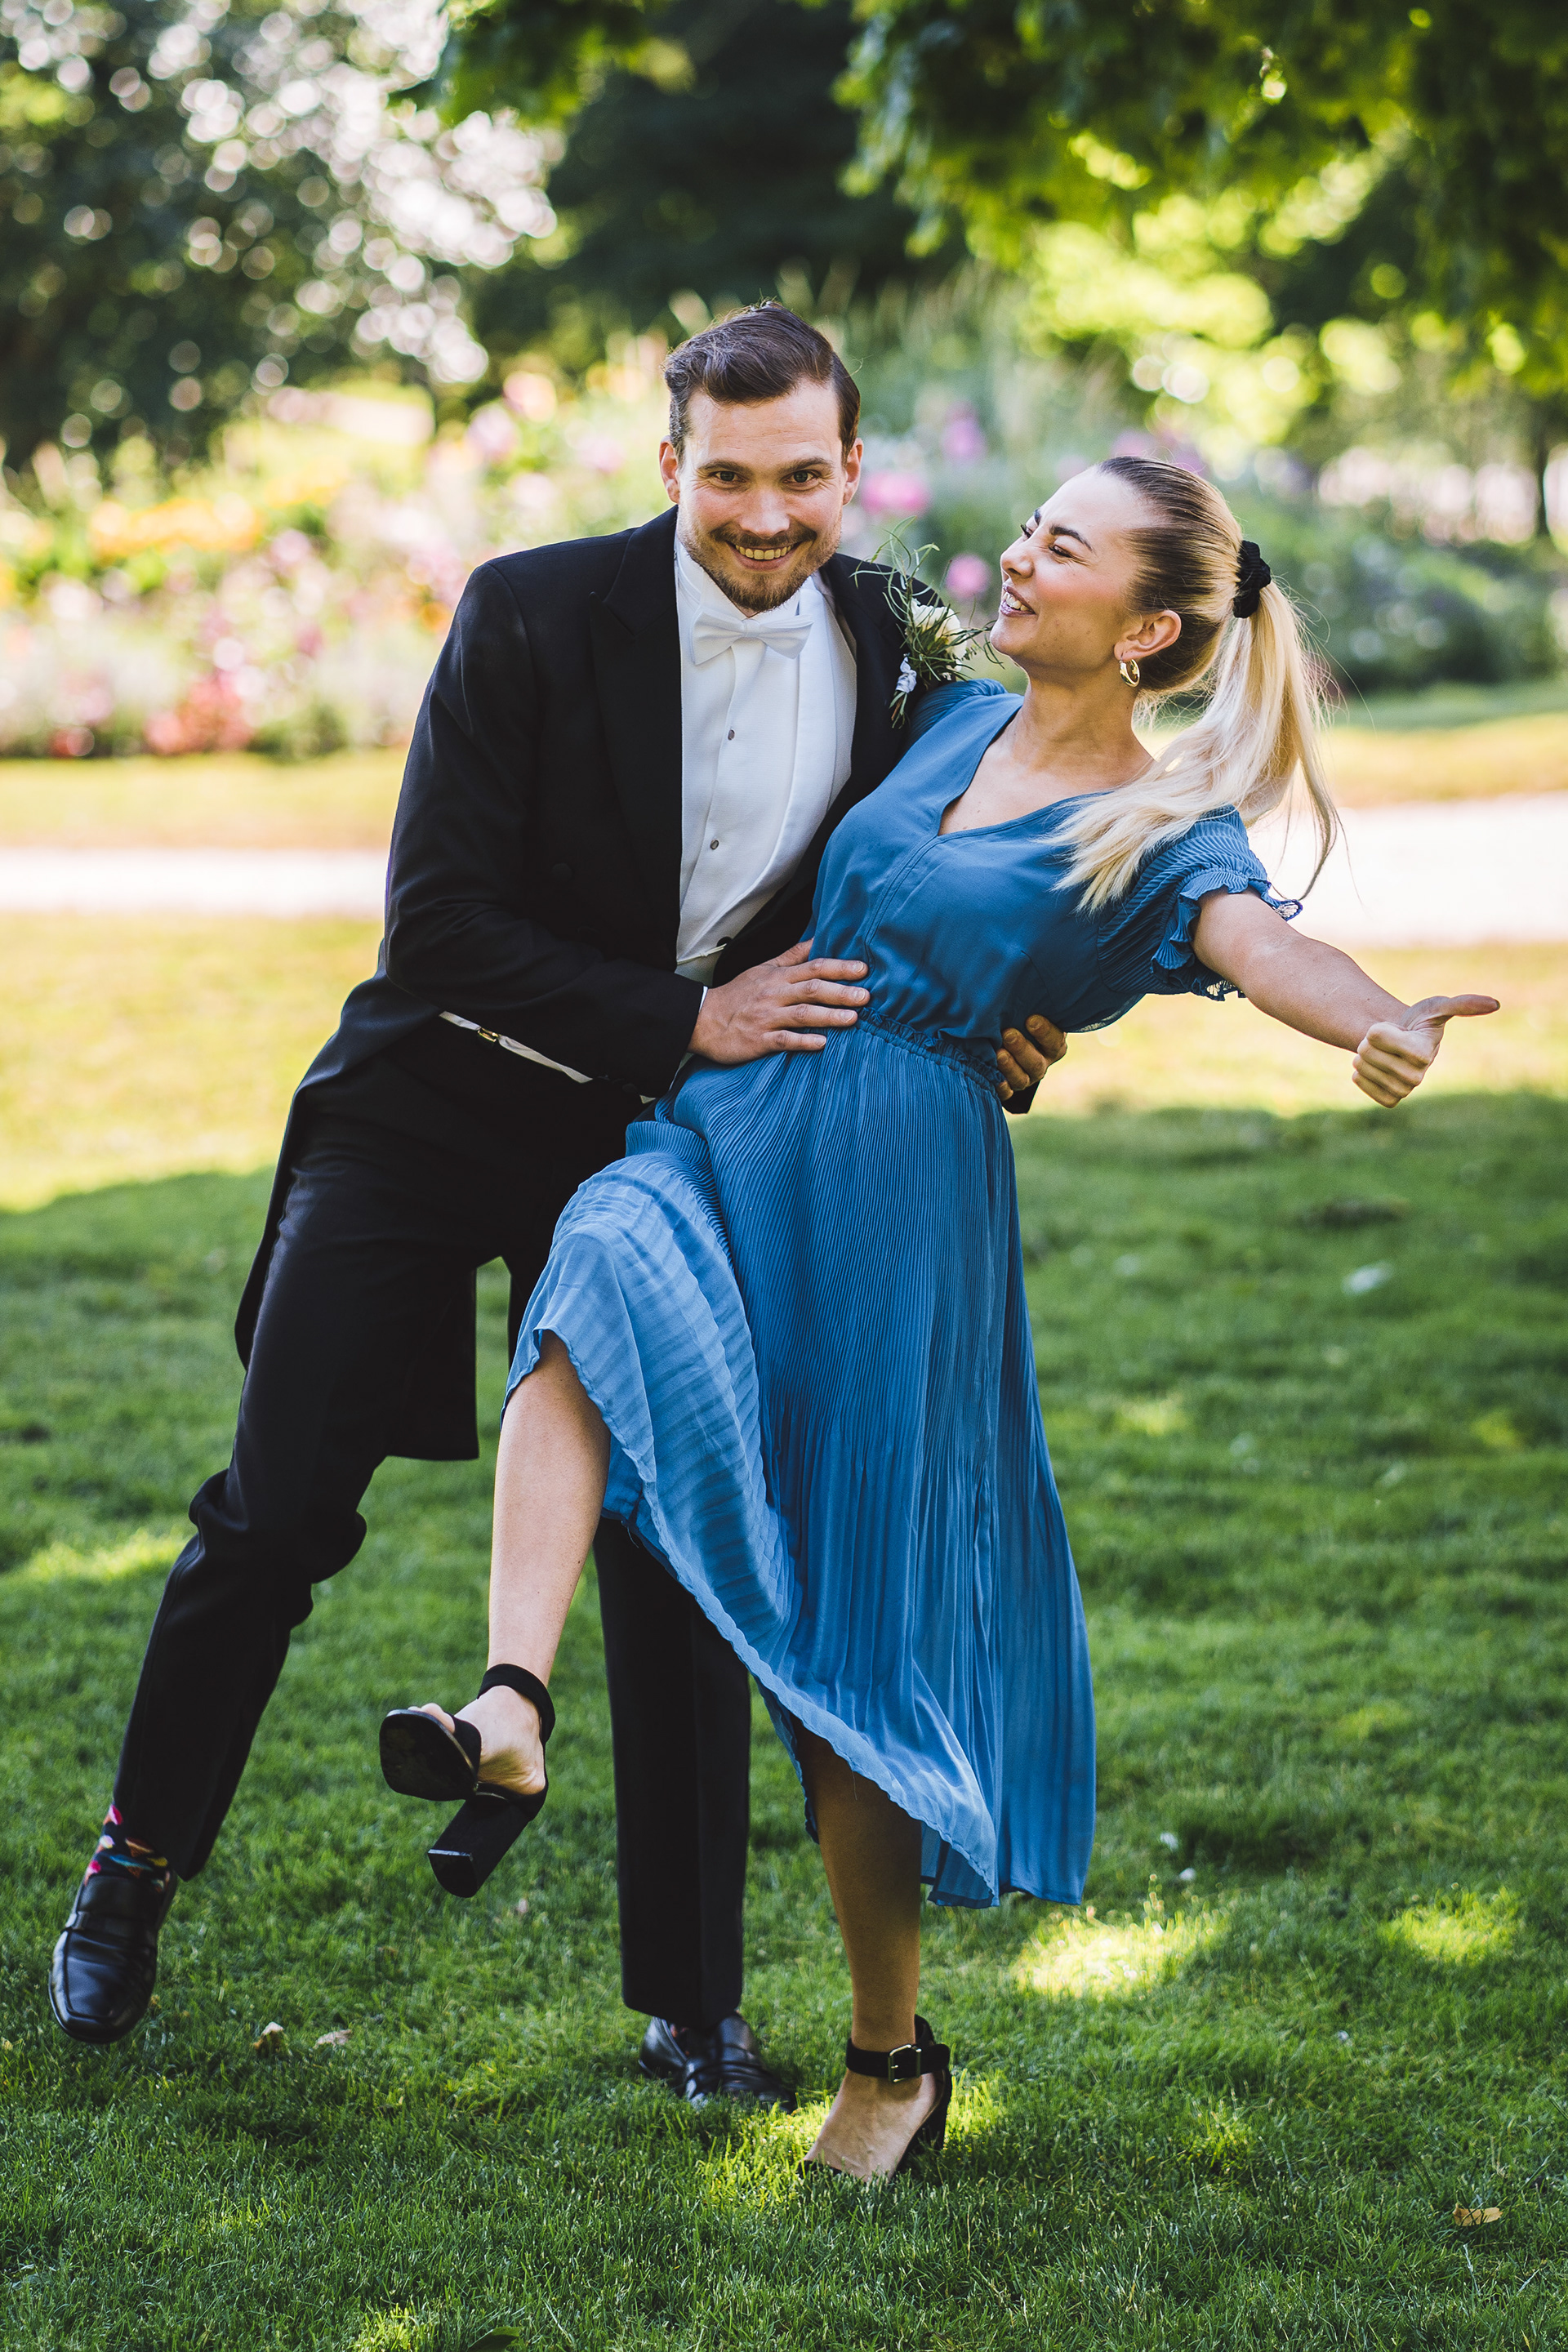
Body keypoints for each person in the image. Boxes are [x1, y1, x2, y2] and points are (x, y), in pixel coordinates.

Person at [379, 453, 1498, 2178]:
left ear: (1148, 632)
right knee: (592, 1283)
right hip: (743, 1118)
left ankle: (889, 2057)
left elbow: (1261, 942)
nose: (1021, 555)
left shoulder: (1162, 828)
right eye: (1033, 524)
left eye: (1066, 546)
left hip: (898, 1211)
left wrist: (1377, 1017)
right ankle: (510, 1702)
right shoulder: (950, 717)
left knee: (857, 1632)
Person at [47, 305, 1064, 2100]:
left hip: (658, 1145)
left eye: (803, 477)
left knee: (676, 1558)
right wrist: (688, 1015)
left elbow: (921, 886)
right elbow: (435, 923)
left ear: (853, 467)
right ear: (672, 465)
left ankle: (692, 2006)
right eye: (729, 478)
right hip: (428, 1105)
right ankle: (134, 1868)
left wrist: (991, 1018)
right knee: (278, 1507)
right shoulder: (526, 612)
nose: (766, 516)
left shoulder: (892, 643)